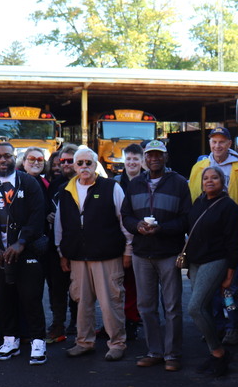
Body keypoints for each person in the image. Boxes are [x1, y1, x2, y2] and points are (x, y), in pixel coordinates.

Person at [0, 143, 49, 365]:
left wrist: (22, 242)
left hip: (26, 251)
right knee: (3, 298)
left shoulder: (29, 183)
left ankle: (37, 342)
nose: (3, 160)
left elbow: (37, 216)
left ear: (15, 158)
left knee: (31, 297)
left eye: (7, 156)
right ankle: (9, 340)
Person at [56, 147, 132, 362]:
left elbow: (123, 220)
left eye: (88, 163)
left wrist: (128, 250)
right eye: (79, 163)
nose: (84, 167)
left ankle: (117, 343)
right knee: (82, 302)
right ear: (74, 166)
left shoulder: (111, 187)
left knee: (111, 302)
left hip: (107, 256)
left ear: (95, 164)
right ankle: (84, 342)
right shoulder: (65, 190)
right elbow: (60, 226)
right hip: (78, 257)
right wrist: (62, 252)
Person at [121, 140, 191, 372]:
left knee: (172, 306)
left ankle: (172, 354)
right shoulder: (135, 184)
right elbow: (126, 215)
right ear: (144, 159)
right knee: (146, 306)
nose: (154, 159)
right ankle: (154, 351)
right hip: (142, 253)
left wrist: (163, 228)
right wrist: (137, 226)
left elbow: (185, 219)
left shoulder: (179, 183)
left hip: (169, 252)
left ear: (165, 158)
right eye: (149, 155)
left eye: (158, 155)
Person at [184, 166, 238, 376]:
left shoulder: (229, 207)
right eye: (206, 178)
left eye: (214, 177)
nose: (209, 181)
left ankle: (219, 353)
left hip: (216, 260)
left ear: (222, 181)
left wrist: (230, 271)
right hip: (196, 261)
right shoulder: (198, 202)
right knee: (203, 308)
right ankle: (214, 353)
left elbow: (233, 242)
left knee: (194, 308)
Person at [45, 144, 80, 343]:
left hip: (79, 247)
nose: (65, 164)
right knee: (56, 288)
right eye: (63, 161)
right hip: (55, 247)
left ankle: (77, 322)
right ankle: (58, 323)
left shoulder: (88, 182)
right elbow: (44, 208)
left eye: (70, 161)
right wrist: (47, 216)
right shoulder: (55, 184)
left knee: (78, 288)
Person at [116, 143, 144, 341]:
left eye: (135, 159)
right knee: (118, 284)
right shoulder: (115, 183)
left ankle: (133, 320)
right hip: (117, 240)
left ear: (142, 161)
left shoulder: (147, 182)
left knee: (136, 285)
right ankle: (118, 322)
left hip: (142, 241)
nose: (132, 162)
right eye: (128, 159)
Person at [188, 127, 238, 205]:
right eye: (214, 142)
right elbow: (191, 195)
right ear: (209, 143)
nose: (217, 146)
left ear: (229, 144)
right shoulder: (197, 167)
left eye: (221, 142)